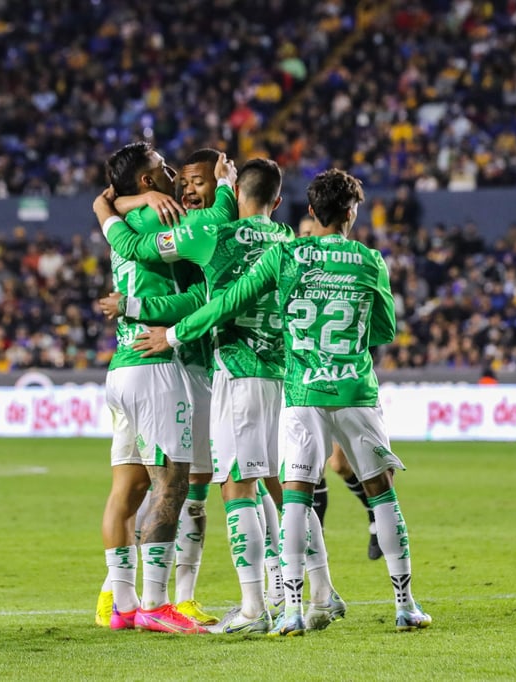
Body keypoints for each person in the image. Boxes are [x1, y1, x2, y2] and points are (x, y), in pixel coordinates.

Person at [133, 169, 433, 635]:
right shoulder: (370, 260)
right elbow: (385, 331)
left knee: (291, 494)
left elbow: (225, 301)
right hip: (353, 387)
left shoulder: (285, 254)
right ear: (352, 213)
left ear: (311, 212)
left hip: (299, 387)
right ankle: (404, 604)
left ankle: (285, 608)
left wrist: (173, 334)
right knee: (381, 493)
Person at [95, 158, 295, 635]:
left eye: (194, 180)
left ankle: (121, 596)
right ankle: (169, 600)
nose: (182, 187)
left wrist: (110, 203)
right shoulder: (200, 225)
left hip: (136, 364)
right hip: (178, 365)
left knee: (140, 486)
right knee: (193, 484)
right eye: (174, 177)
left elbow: (122, 235)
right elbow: (206, 298)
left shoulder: (149, 215)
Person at [95, 147, 235, 629]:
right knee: (172, 481)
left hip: (121, 365)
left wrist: (113, 206)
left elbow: (112, 213)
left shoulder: (124, 219)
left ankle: (121, 603)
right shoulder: (165, 220)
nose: (176, 176)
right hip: (156, 363)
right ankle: (155, 606)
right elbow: (199, 289)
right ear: (150, 176)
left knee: (126, 487)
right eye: (166, 169)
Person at [298, 217, 382, 562]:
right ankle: (315, 547)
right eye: (301, 235)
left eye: (310, 233)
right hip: (302, 381)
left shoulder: (343, 276)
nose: (307, 240)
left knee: (340, 466)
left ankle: (375, 514)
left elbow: (377, 330)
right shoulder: (293, 273)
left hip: (342, 379)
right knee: (309, 467)